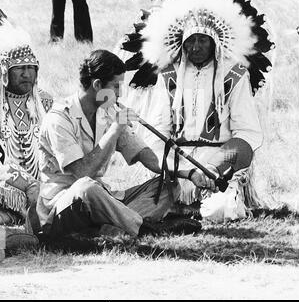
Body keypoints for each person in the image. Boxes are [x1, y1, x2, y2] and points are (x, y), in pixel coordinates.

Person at [116, 0, 274, 222]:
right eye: (191, 40)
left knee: (219, 211)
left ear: (215, 42)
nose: (196, 46)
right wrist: (179, 170)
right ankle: (178, 200)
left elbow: (247, 133)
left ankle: (210, 199)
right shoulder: (168, 74)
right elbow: (157, 130)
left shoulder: (234, 74)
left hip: (218, 165)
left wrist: (215, 167)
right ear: (182, 42)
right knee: (150, 208)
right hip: (178, 165)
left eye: (203, 40)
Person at [36, 49, 205, 242]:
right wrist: (116, 128)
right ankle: (142, 228)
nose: (120, 93)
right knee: (86, 187)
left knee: (168, 186)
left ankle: (113, 229)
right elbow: (82, 173)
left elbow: (147, 157)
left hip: (101, 202)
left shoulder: (107, 112)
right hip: (63, 207)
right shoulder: (59, 119)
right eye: (116, 87)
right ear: (98, 85)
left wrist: (189, 173)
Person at [0, 10, 53, 254]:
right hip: (8, 186)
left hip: (44, 186)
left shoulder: (45, 102)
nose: (27, 74)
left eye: (32, 67)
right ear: (4, 72)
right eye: (19, 68)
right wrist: (24, 184)